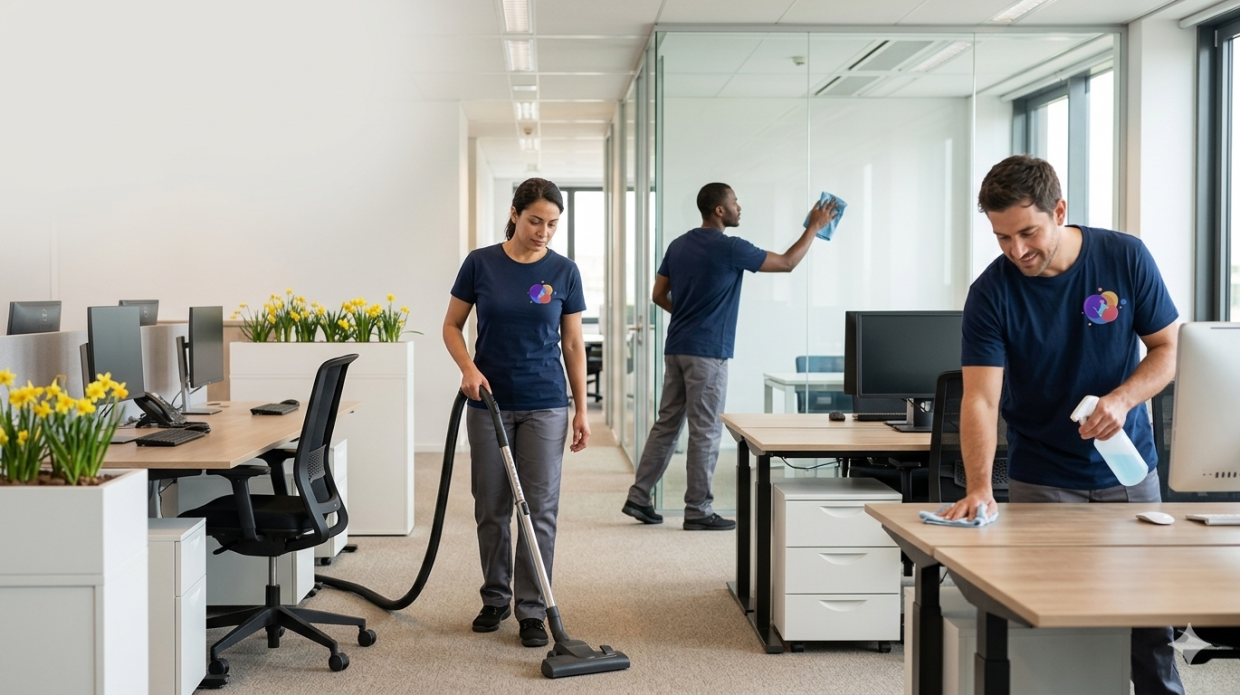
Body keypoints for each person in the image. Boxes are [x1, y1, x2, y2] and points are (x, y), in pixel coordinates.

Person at [941, 155, 1183, 695]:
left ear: (1060, 210)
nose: (1017, 251)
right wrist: (980, 486)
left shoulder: (1124, 256)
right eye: (1002, 237)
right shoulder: (991, 294)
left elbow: (1167, 350)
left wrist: (1122, 399)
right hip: (1043, 478)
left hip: (1129, 473)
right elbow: (980, 400)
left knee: (1150, 626)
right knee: (1052, 627)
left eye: (1027, 232)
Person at [622, 182, 838, 530]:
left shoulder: (678, 246)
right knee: (705, 431)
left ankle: (639, 496)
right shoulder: (730, 248)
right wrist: (813, 226)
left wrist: (686, 316)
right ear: (719, 210)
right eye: (735, 203)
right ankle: (698, 511)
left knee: (666, 425)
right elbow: (786, 263)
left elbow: (658, 294)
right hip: (707, 352)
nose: (740, 208)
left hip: (677, 347)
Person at [443, 178, 590, 648]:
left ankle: (531, 608)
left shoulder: (565, 271)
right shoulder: (480, 263)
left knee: (539, 509)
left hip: (546, 404)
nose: (543, 231)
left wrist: (581, 408)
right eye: (535, 221)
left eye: (552, 224)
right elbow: (451, 325)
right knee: (491, 505)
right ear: (514, 214)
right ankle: (494, 597)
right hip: (488, 403)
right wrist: (467, 367)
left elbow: (572, 343)